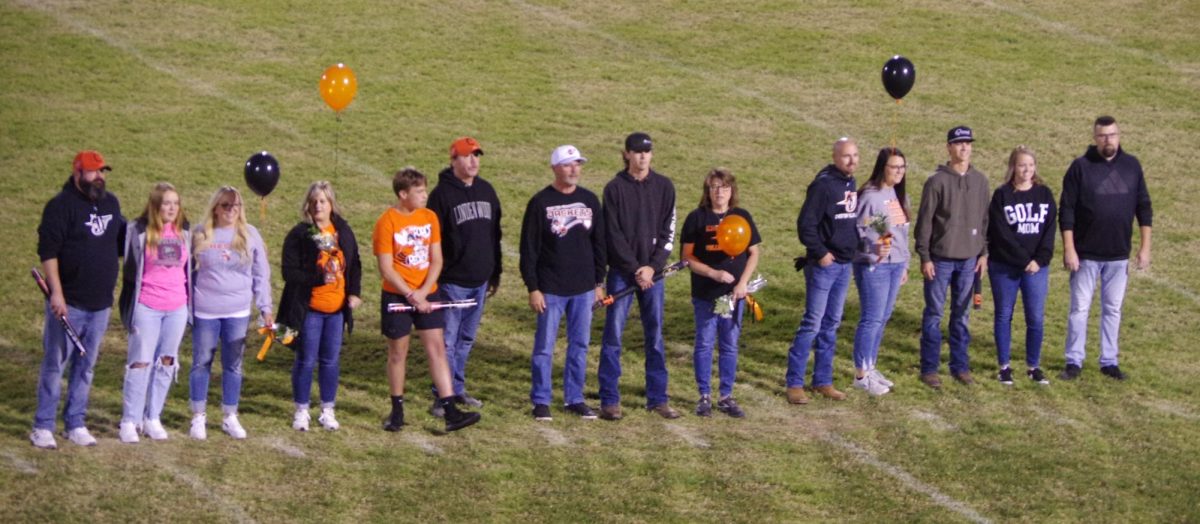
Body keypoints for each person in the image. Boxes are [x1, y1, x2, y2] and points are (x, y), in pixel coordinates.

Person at [376, 167, 481, 433]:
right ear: (403, 194)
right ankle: (397, 410)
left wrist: (423, 292)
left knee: (437, 349)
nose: (425, 195)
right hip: (397, 294)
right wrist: (411, 295)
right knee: (398, 353)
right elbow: (387, 268)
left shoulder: (430, 217)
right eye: (419, 191)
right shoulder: (387, 222)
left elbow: (437, 259)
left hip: (426, 292)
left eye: (425, 190)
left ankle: (450, 410)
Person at [31, 150, 125, 449]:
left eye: (102, 171)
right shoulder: (60, 207)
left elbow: (121, 243)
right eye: (94, 172)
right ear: (77, 173)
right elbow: (48, 252)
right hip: (69, 302)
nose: (100, 177)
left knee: (86, 366)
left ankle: (75, 422)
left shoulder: (111, 203)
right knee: (54, 365)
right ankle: (44, 425)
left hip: (100, 303)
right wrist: (56, 293)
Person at [1059, 116, 1152, 381]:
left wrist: (1145, 247)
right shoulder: (1080, 167)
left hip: (1118, 255)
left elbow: (1144, 207)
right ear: (1094, 138)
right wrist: (1069, 248)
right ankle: (1074, 360)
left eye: (1112, 135)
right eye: (1102, 136)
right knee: (1079, 308)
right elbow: (1066, 210)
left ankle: (1109, 360)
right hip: (1086, 254)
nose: (1108, 140)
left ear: (1119, 135)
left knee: (1112, 309)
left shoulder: (1132, 166)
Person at [520, 145, 606, 421]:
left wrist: (598, 283)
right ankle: (541, 400)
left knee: (579, 345)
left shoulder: (590, 200)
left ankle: (574, 398)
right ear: (555, 167)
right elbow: (529, 249)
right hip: (551, 289)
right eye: (569, 165)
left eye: (578, 164)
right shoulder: (540, 202)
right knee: (544, 347)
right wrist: (533, 287)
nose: (574, 170)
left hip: (583, 288)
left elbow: (599, 244)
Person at [597, 132, 680, 420]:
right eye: (637, 152)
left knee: (655, 336)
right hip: (622, 273)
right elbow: (613, 235)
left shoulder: (665, 187)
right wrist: (635, 269)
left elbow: (668, 231)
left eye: (647, 151)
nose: (643, 156)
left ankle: (658, 398)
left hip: (653, 276)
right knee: (613, 337)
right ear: (626, 154)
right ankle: (609, 399)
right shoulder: (614, 189)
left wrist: (652, 268)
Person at [189, 186, 273, 439]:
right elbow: (187, 275)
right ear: (215, 207)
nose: (231, 210)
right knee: (201, 362)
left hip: (237, 311)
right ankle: (198, 416)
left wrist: (266, 307)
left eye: (236, 206)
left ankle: (230, 415)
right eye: (225, 205)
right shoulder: (200, 233)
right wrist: (186, 309)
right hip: (206, 310)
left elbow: (262, 273)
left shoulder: (250, 234)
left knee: (233, 365)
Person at [426, 137, 502, 416]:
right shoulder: (441, 195)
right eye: (468, 156)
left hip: (479, 281)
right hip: (452, 282)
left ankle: (457, 388)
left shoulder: (487, 190)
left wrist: (495, 272)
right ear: (454, 160)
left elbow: (495, 235)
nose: (473, 162)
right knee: (447, 339)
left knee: (466, 338)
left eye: (477, 156)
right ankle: (441, 396)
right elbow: (432, 240)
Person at [278, 181, 362, 431]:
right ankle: (301, 410)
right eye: (314, 201)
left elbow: (355, 263)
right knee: (305, 360)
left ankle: (328, 409)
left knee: (330, 361)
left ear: (331, 204)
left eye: (323, 201)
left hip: (336, 311)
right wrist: (316, 278)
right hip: (309, 310)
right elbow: (289, 273)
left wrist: (354, 292)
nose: (318, 206)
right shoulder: (300, 234)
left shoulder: (343, 230)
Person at [914, 126, 990, 389]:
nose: (964, 147)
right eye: (958, 143)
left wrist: (983, 252)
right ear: (949, 147)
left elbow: (984, 220)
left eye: (968, 143)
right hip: (941, 260)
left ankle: (960, 366)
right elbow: (924, 222)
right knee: (934, 314)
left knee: (962, 315)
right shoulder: (936, 182)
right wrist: (925, 256)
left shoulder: (980, 181)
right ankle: (929, 368)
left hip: (970, 260)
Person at [785, 137, 860, 404]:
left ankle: (823, 380)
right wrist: (821, 253)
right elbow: (805, 224)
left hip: (844, 265)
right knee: (812, 324)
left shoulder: (851, 183)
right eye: (846, 156)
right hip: (824, 266)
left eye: (855, 155)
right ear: (835, 157)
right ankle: (794, 383)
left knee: (831, 324)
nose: (852, 161)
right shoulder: (823, 185)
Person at [682, 168, 761, 417]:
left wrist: (742, 284)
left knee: (729, 345)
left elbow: (754, 252)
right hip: (706, 293)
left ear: (731, 191)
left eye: (724, 187)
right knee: (705, 343)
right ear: (708, 190)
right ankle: (704, 395)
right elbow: (686, 258)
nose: (720, 192)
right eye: (715, 187)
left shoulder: (742, 216)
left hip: (733, 295)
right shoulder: (697, 218)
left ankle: (726, 396)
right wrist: (712, 273)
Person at [116, 182, 190, 443]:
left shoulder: (185, 231)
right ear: (155, 205)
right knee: (140, 362)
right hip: (147, 305)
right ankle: (130, 420)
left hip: (177, 307)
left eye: (175, 203)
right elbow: (128, 269)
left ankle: (153, 417)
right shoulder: (137, 231)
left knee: (167, 361)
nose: (171, 208)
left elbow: (187, 270)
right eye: (166, 203)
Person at [987, 146, 1056, 386]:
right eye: (1021, 165)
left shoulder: (1045, 195)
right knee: (1004, 315)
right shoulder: (1002, 195)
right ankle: (1004, 366)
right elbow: (1000, 234)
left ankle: (1033, 366)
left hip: (1037, 268)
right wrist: (1023, 260)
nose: (1026, 169)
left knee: (1035, 317)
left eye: (1030, 165)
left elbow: (1049, 232)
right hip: (1005, 266)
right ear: (1012, 168)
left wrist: (1039, 260)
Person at [850, 147, 911, 397]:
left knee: (883, 318)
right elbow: (857, 230)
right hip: (874, 265)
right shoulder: (871, 196)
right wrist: (873, 248)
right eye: (893, 167)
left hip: (895, 265)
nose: (898, 172)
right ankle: (861, 375)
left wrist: (904, 263)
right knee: (871, 318)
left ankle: (871, 367)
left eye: (902, 167)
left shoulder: (895, 194)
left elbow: (900, 233)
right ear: (882, 168)